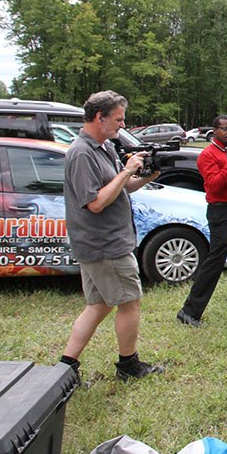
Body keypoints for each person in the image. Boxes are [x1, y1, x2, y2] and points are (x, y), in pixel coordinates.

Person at [59, 90, 165, 381]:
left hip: (103, 242)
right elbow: (94, 202)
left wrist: (147, 174)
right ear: (99, 117)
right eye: (118, 119)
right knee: (129, 302)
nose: (122, 124)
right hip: (105, 244)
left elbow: (124, 188)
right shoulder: (81, 153)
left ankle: (65, 367)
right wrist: (125, 171)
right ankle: (128, 366)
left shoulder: (102, 146)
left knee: (98, 305)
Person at [176, 114, 227, 328]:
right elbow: (214, 186)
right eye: (225, 129)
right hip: (220, 212)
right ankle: (189, 311)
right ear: (214, 131)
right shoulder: (207, 155)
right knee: (215, 261)